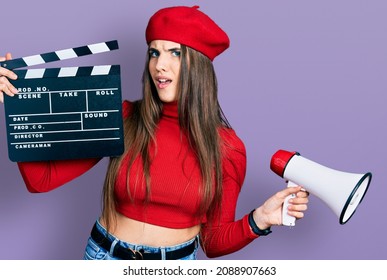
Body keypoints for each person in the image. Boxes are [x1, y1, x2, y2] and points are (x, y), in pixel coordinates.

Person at [0, 5, 309, 260]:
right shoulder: (123, 116)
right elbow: (41, 181)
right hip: (103, 258)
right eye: (153, 53)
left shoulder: (227, 147)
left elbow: (213, 242)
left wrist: (261, 219)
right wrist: (15, 109)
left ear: (198, 65)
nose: (160, 65)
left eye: (174, 53)